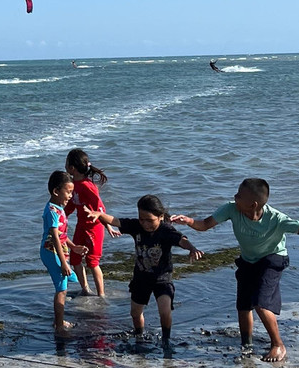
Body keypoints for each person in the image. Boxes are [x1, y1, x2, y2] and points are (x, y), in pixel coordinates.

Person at [171, 178, 299, 362]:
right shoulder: (231, 208)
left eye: (238, 195)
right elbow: (204, 224)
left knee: (260, 303)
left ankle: (278, 345)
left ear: (253, 204)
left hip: (272, 258)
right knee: (243, 304)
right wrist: (188, 221)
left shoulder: (276, 219)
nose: (234, 197)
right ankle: (246, 345)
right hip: (248, 259)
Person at [86, 195, 203, 352]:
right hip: (141, 278)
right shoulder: (136, 226)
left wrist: (192, 248)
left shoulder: (165, 230)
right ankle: (139, 336)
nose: (145, 224)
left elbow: (181, 239)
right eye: (142, 219)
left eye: (150, 220)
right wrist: (100, 215)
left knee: (165, 310)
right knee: (135, 313)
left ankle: (166, 339)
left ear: (161, 217)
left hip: (162, 278)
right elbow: (116, 221)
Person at [63, 148, 119, 296]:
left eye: (66, 163)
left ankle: (101, 294)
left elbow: (100, 209)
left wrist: (108, 227)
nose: (65, 165)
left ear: (72, 168)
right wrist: (60, 218)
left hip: (95, 229)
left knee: (92, 262)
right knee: (74, 258)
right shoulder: (73, 185)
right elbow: (70, 206)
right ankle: (85, 289)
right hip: (81, 227)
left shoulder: (88, 187)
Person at [41, 170, 89, 335]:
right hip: (51, 252)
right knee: (62, 289)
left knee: (67, 282)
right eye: (68, 192)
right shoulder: (52, 211)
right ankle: (59, 325)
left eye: (72, 192)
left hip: (57, 250)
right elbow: (54, 236)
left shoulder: (58, 208)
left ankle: (58, 320)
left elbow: (62, 235)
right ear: (56, 191)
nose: (70, 196)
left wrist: (74, 247)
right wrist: (63, 263)